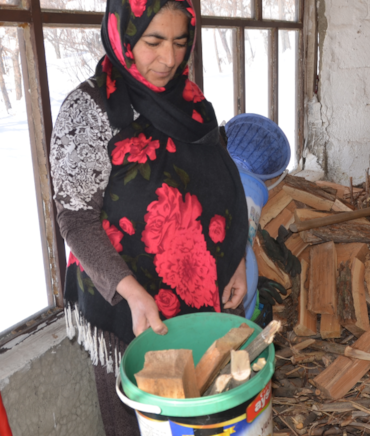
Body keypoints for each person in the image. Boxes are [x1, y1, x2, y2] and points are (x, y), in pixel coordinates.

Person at [49, 0, 248, 433]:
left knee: (200, 415)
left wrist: (235, 256)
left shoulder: (190, 100)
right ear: (123, 33)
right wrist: (132, 293)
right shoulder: (89, 110)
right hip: (126, 303)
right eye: (153, 41)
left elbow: (222, 185)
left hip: (198, 294)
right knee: (143, 421)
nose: (169, 59)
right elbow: (76, 219)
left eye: (180, 42)